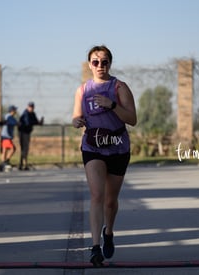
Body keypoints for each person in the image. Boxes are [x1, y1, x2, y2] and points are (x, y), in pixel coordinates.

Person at [72, 45, 137, 267]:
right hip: (93, 147)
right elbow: (76, 115)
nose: (100, 65)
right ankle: (95, 247)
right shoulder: (83, 90)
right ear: (89, 64)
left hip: (118, 147)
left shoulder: (119, 87)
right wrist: (76, 121)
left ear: (110, 63)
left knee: (110, 201)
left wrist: (112, 105)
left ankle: (108, 231)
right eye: (96, 62)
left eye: (105, 61)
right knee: (97, 195)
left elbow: (132, 118)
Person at [18, 102, 44, 170]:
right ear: (27, 107)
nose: (31, 108)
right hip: (23, 132)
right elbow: (27, 122)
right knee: (24, 149)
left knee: (25, 149)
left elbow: (35, 121)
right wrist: (36, 122)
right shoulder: (25, 113)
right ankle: (23, 164)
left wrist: (39, 122)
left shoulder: (33, 113)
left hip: (27, 132)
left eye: (32, 107)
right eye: (30, 107)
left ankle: (22, 164)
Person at [0, 105, 18, 172]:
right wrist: (17, 123)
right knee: (12, 149)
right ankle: (5, 162)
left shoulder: (9, 117)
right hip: (6, 136)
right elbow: (14, 122)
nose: (16, 111)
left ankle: (3, 164)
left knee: (5, 150)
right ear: (12, 111)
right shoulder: (8, 116)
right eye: (15, 110)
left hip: (6, 136)